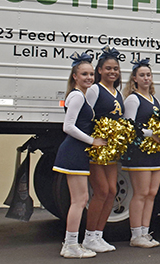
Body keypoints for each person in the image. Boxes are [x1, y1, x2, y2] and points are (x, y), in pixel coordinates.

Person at [52, 53, 102, 258]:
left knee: (80, 199)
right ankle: (70, 245)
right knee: (79, 200)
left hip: (78, 153)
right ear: (75, 76)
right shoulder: (76, 96)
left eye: (91, 74)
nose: (89, 77)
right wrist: (92, 141)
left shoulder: (82, 95)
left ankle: (72, 243)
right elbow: (68, 126)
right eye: (84, 74)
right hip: (73, 152)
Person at [82, 46, 124, 253]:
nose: (112, 72)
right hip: (97, 148)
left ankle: (99, 235)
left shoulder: (118, 93)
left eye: (115, 69)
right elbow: (85, 116)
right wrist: (91, 140)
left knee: (112, 191)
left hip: (112, 148)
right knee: (101, 191)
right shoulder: (95, 89)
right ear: (99, 70)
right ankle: (89, 235)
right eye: (108, 68)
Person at [122, 58, 160, 248]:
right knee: (141, 193)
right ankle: (135, 234)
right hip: (139, 152)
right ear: (134, 79)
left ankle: (145, 232)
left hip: (155, 152)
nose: (146, 78)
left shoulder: (154, 100)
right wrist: (151, 134)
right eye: (142, 75)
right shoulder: (133, 98)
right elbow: (129, 126)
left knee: (152, 193)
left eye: (148, 75)